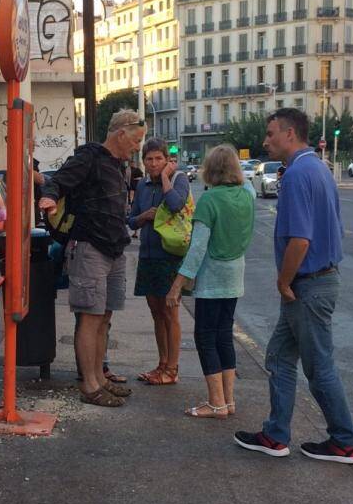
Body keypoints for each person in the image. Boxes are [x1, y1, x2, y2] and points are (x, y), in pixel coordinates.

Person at [234, 108, 353, 463]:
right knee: (278, 355)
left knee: (318, 366)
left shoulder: (295, 176)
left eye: (271, 133)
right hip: (318, 281)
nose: (265, 140)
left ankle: (345, 440)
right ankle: (275, 434)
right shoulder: (318, 168)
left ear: (290, 134)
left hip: (307, 285)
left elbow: (300, 240)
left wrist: (283, 280)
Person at [39, 109, 146, 407]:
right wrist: (48, 196)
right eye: (135, 140)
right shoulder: (90, 156)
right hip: (89, 247)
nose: (137, 147)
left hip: (114, 248)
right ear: (121, 133)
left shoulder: (118, 165)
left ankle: (99, 378)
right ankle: (89, 385)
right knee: (90, 317)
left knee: (104, 317)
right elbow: (57, 180)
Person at [166, 144, 254, 416]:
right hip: (235, 275)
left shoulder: (210, 200)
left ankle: (215, 402)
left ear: (211, 170)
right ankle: (228, 400)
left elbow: (197, 249)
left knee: (205, 337)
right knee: (224, 336)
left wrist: (176, 285)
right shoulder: (248, 195)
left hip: (212, 279)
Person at [127, 137, 190, 385]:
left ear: (167, 160)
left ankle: (172, 369)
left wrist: (165, 178)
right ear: (143, 161)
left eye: (158, 159)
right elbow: (130, 220)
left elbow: (175, 204)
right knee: (156, 313)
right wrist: (143, 216)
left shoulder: (178, 180)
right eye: (149, 159)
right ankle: (161, 364)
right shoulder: (141, 186)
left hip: (170, 256)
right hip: (148, 254)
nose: (153, 164)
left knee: (170, 313)